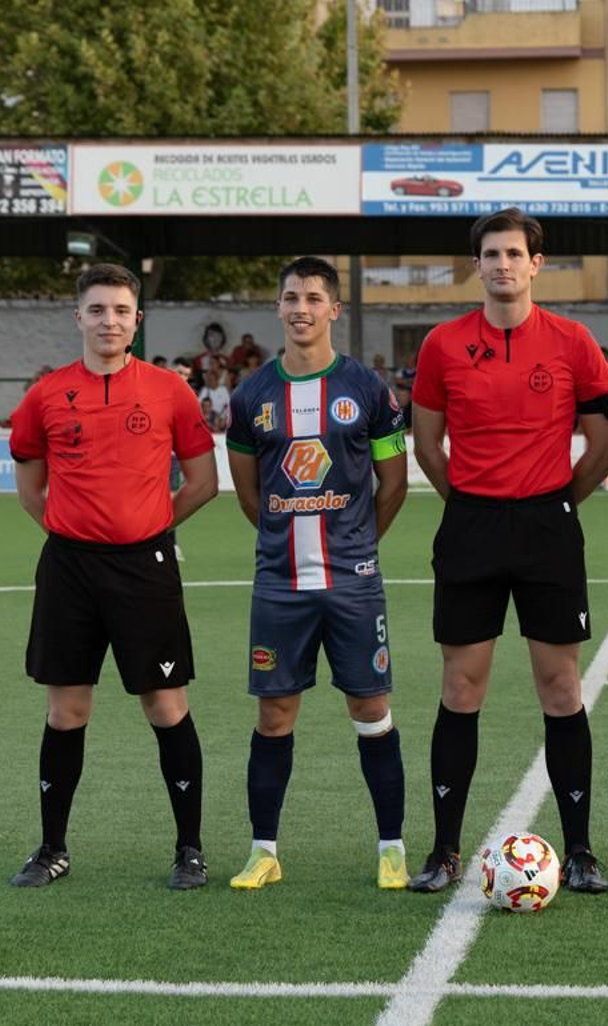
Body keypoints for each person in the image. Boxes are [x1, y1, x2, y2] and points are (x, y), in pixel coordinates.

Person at [408, 208, 608, 894]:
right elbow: (427, 445)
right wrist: (471, 502)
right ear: (478, 265)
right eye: (491, 254)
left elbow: (603, 444)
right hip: (470, 528)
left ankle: (582, 849)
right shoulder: (443, 344)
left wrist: (555, 503)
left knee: (561, 687)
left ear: (536, 264)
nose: (503, 265)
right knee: (460, 686)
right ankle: (444, 849)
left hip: (547, 527)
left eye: (514, 254)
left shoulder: (572, 340)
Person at [5, 263, 219, 891]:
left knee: (165, 704)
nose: (109, 321)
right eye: (97, 310)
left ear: (137, 321)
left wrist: (148, 527)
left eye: (121, 311)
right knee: (66, 709)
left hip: (144, 567)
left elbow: (202, 482)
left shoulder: (169, 390)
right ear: (79, 317)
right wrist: (79, 531)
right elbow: (30, 490)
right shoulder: (45, 395)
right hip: (69, 568)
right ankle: (52, 848)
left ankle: (189, 849)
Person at [223, 256, 411, 891]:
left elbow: (393, 485)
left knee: (370, 705)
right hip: (280, 584)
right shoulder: (251, 396)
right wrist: (284, 541)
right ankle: (263, 850)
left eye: (313, 297)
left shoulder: (368, 391)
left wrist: (356, 544)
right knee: (274, 714)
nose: (300, 307)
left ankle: (391, 847)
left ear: (335, 309)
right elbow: (250, 495)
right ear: (278, 308)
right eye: (290, 297)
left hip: (353, 582)